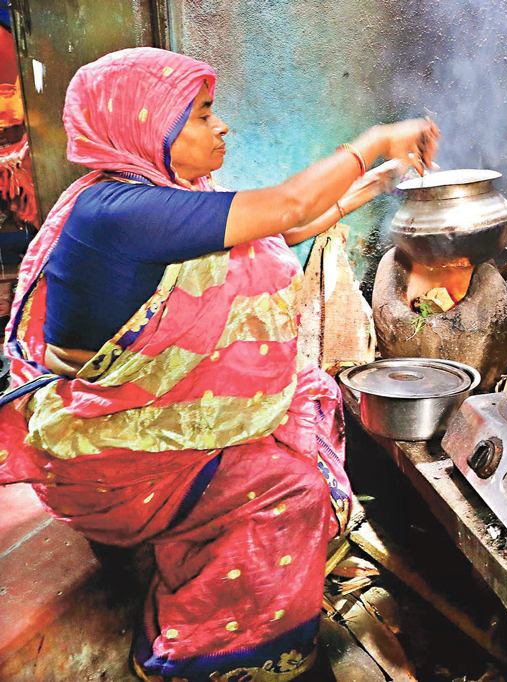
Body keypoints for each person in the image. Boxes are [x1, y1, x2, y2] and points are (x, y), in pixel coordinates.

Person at [0, 47, 439, 681]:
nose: (221, 126)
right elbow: (285, 208)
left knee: (301, 406)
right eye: (203, 113)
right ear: (149, 125)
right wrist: (372, 144)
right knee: (293, 487)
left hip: (132, 423)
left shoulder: (150, 194)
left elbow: (269, 232)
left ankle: (180, 558)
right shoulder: (120, 214)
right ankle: (211, 653)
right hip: (109, 449)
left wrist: (354, 196)